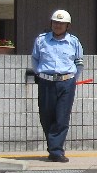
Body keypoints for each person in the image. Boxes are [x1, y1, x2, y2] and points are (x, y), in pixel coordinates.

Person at [31, 9, 84, 163]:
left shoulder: (73, 41)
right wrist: (40, 75)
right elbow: (35, 59)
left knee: (61, 118)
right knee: (46, 116)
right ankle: (53, 147)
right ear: (51, 23)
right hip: (46, 81)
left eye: (61, 23)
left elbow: (79, 63)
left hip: (66, 82)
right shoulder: (41, 40)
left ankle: (56, 151)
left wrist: (72, 79)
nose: (58, 26)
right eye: (55, 22)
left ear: (68, 26)